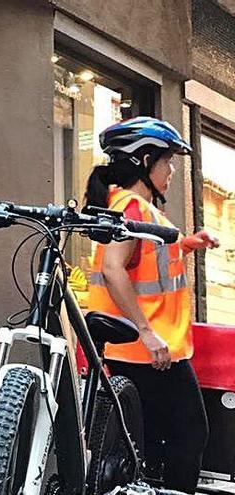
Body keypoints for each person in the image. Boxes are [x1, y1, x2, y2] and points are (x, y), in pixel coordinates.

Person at [85, 117, 220, 493]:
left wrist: (190, 243)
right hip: (149, 351)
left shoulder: (138, 209)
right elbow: (114, 269)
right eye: (168, 161)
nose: (172, 171)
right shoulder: (130, 208)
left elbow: (147, 260)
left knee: (150, 444)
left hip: (147, 348)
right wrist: (147, 332)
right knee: (189, 436)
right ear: (145, 161)